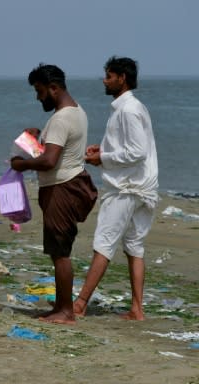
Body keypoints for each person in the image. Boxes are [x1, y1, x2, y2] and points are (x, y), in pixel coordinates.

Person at [10, 64, 98, 324]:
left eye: (39, 92)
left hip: (62, 188)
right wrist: (37, 139)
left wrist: (21, 165)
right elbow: (56, 153)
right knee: (57, 249)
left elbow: (49, 161)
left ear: (54, 88)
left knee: (60, 252)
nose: (38, 97)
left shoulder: (61, 119)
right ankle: (61, 306)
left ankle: (66, 312)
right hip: (67, 184)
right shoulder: (76, 112)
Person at [73, 56, 158, 321]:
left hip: (128, 188)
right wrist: (103, 150)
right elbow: (130, 147)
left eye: (109, 76)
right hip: (141, 185)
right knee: (134, 245)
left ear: (122, 78)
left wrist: (103, 158)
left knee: (104, 243)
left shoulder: (129, 109)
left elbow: (137, 151)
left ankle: (80, 304)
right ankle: (137, 309)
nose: (105, 80)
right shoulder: (129, 107)